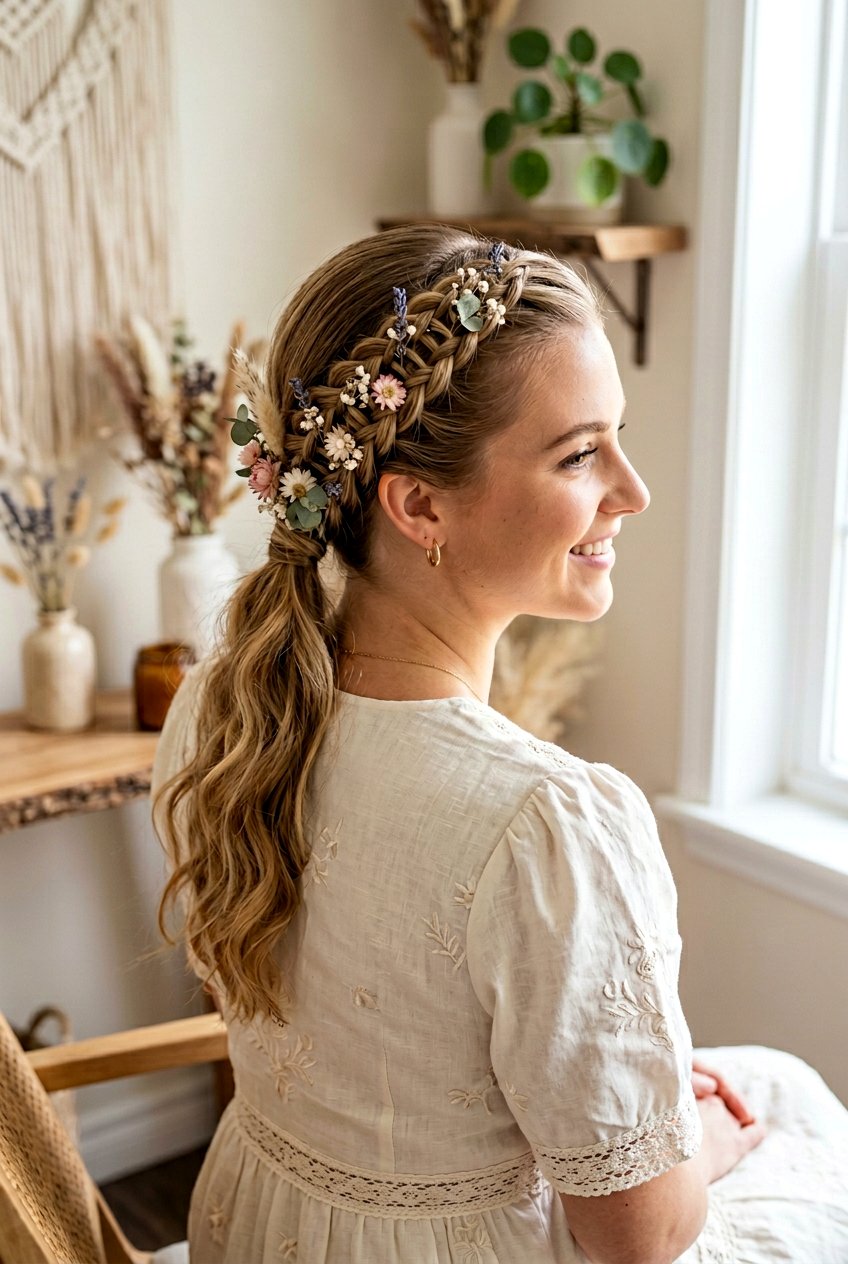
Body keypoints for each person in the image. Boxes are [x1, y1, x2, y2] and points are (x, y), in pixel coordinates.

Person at [152, 226, 848, 1263]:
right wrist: (692, 1140)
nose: (631, 488)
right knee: (785, 1104)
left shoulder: (221, 702)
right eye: (578, 453)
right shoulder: (546, 821)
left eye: (615, 434)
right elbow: (637, 1238)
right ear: (418, 502)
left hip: (257, 1226)